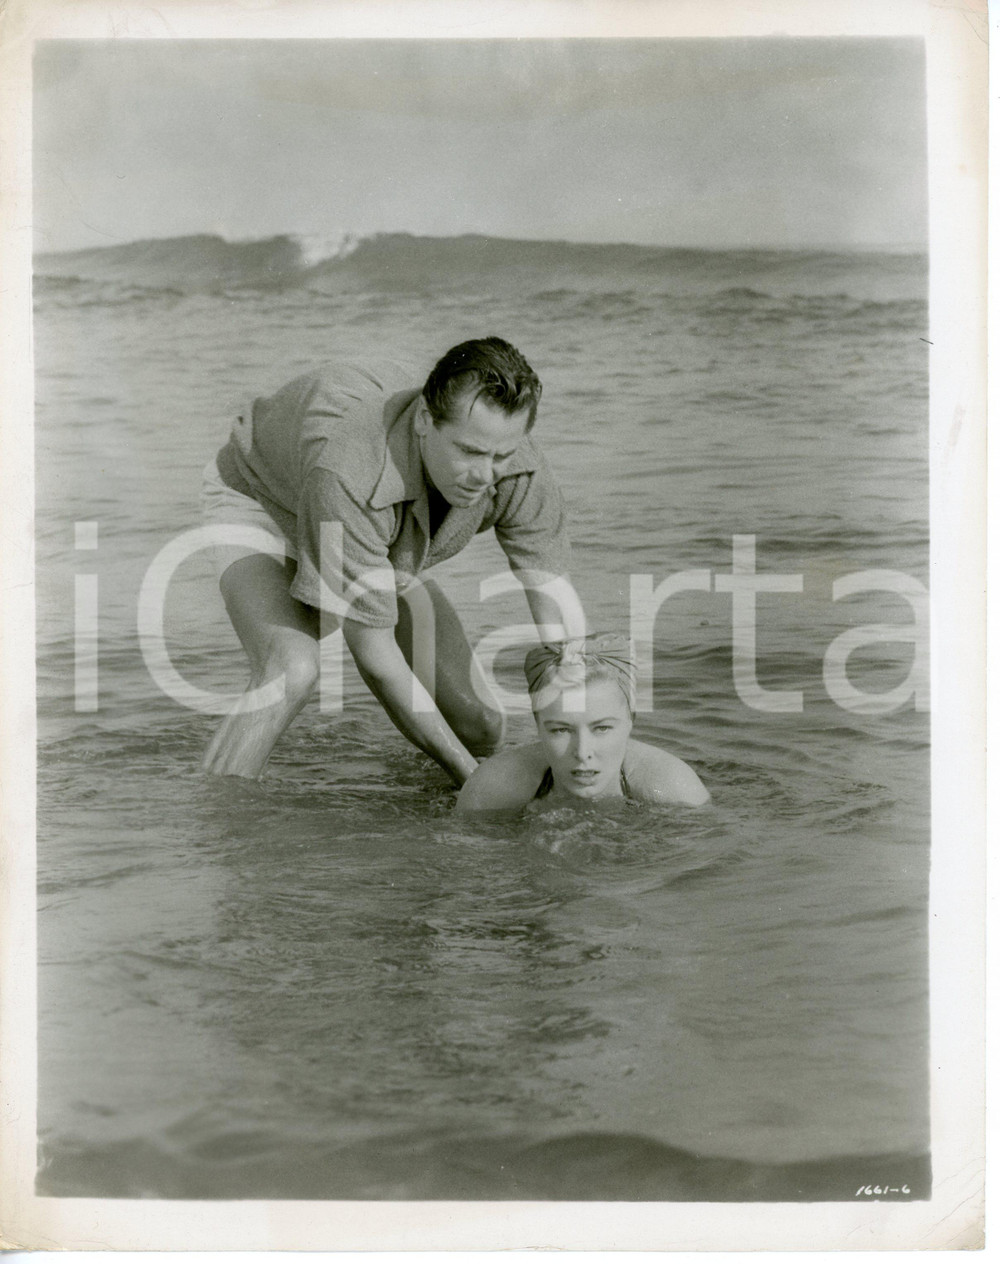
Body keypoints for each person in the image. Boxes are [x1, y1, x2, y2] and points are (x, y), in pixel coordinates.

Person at [200, 337, 578, 784]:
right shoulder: (348, 470)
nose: (485, 475)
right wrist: (471, 778)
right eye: (470, 452)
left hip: (380, 532)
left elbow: (553, 601)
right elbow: (376, 656)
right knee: (292, 668)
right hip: (262, 496)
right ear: (424, 420)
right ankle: (214, 822)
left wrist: (583, 733)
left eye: (501, 455)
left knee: (480, 723)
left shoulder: (517, 465)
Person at [455, 635, 710, 812]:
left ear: (631, 721)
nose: (582, 752)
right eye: (561, 730)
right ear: (538, 724)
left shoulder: (676, 790)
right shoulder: (490, 791)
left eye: (601, 728)